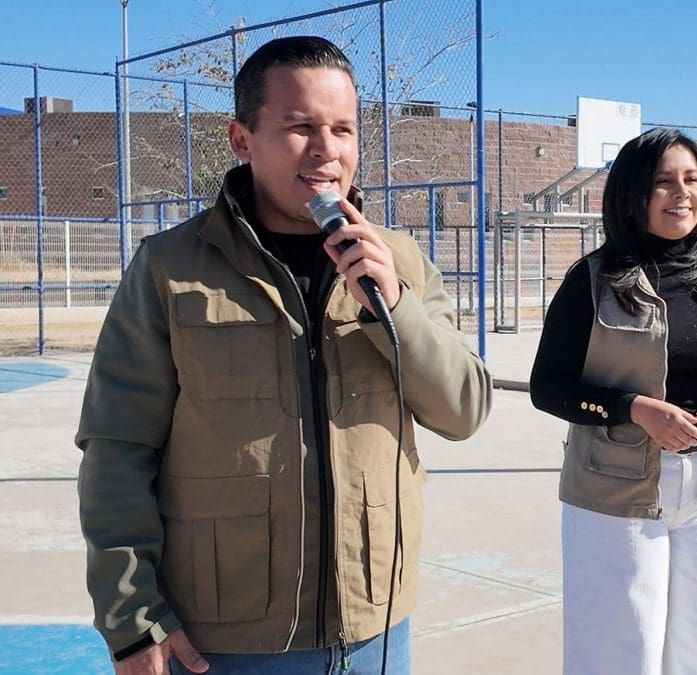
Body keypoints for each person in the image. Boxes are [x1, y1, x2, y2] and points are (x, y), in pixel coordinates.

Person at [76, 36, 492, 675]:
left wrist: (395, 305)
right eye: (300, 127)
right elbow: (117, 449)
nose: (327, 150)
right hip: (229, 639)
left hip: (375, 623)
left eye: (343, 129)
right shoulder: (169, 270)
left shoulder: (400, 259)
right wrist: (133, 618)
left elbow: (464, 409)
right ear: (242, 139)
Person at [530, 127, 697, 674]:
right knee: (618, 651)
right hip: (616, 492)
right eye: (663, 182)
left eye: (692, 179)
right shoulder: (592, 280)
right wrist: (634, 408)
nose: (682, 193)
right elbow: (549, 386)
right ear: (633, 194)